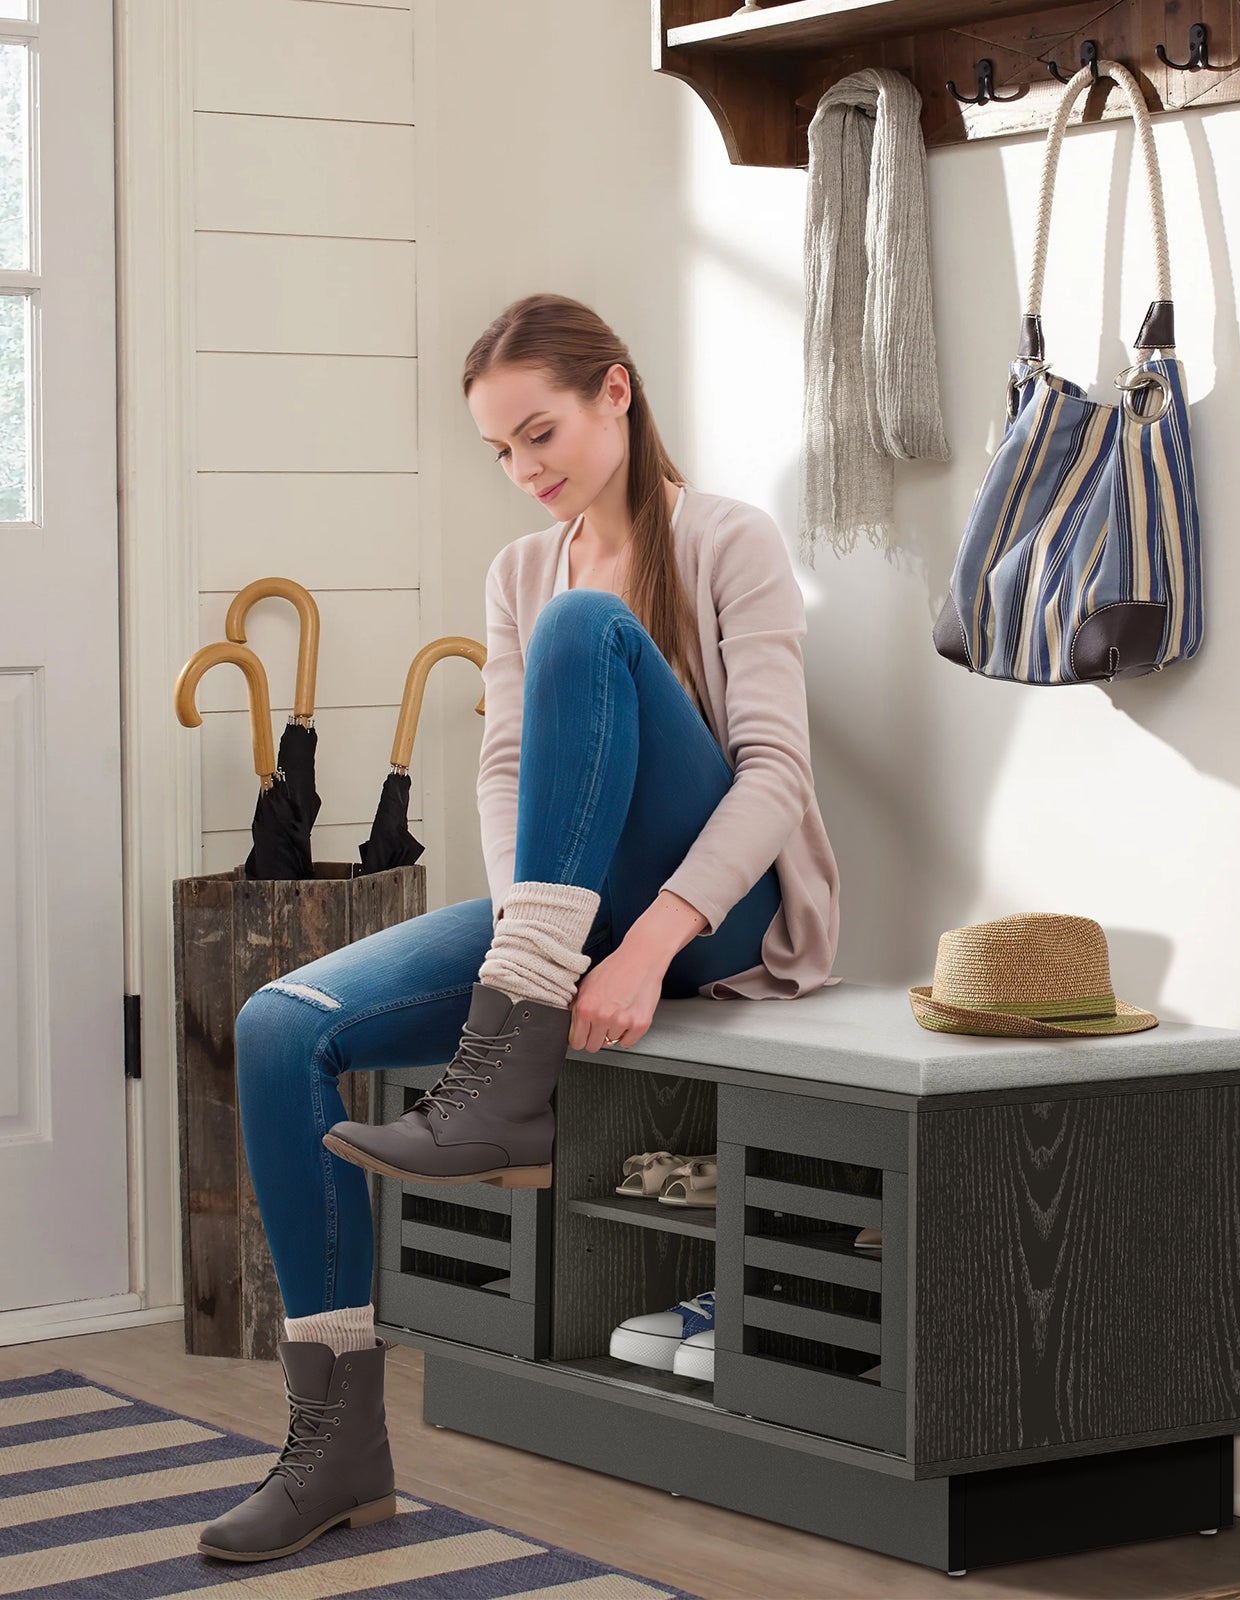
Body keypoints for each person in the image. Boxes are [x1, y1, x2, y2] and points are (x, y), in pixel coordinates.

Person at [196, 293, 842, 1563]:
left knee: (583, 628)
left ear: (616, 391)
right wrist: (526, 947)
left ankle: (504, 1071)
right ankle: (336, 1446)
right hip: (558, 932)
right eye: (499, 452)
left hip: (714, 911)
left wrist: (650, 942)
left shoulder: (726, 537)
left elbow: (773, 777)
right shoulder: (517, 569)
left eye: (538, 433)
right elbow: (503, 777)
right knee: (281, 1025)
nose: (524, 472)